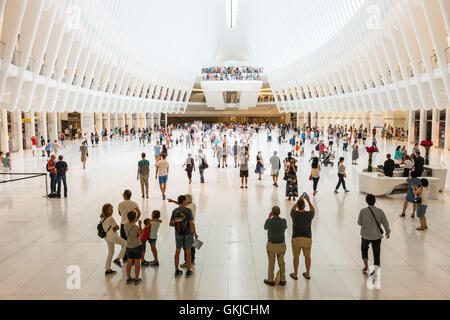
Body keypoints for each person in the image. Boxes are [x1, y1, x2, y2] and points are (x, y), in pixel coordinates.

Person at [358, 194, 390, 275]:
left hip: (365, 235)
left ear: (366, 201)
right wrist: (387, 232)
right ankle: (375, 271)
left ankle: (366, 267)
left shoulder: (362, 211)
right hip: (377, 236)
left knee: (364, 249)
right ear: (375, 201)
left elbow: (359, 223)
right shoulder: (380, 211)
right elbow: (385, 223)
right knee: (376, 253)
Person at [169, 195, 198, 278]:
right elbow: (191, 223)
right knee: (188, 251)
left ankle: (176, 271)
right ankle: (188, 271)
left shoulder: (174, 211)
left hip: (178, 233)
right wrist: (195, 233)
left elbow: (170, 224)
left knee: (177, 251)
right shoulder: (188, 210)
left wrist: (178, 225)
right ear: (184, 201)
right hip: (188, 233)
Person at [290, 194, 315, 280]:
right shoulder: (309, 215)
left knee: (296, 257)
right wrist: (308, 200)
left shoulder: (294, 214)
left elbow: (293, 208)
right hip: (307, 238)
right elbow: (313, 209)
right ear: (304, 206)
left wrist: (299, 199)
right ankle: (307, 274)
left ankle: (295, 274)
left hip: (296, 238)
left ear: (298, 206)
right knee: (307, 257)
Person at [264, 206, 287, 286]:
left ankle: (270, 280)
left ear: (272, 213)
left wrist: (269, 217)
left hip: (271, 245)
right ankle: (283, 279)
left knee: (271, 263)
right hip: (281, 245)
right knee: (281, 263)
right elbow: (285, 227)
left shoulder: (269, 221)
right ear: (279, 213)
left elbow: (265, 227)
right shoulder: (283, 221)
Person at [100, 203, 126, 275]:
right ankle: (118, 259)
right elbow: (117, 227)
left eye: (112, 209)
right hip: (113, 237)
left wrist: (114, 228)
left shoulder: (102, 219)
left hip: (107, 238)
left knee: (111, 252)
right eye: (110, 209)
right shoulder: (111, 218)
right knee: (126, 244)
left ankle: (108, 269)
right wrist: (115, 228)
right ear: (106, 210)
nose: (112, 211)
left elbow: (113, 228)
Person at [118, 190, 141, 262]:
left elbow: (120, 213)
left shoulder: (120, 204)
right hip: (131, 224)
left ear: (124, 195)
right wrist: (135, 220)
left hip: (123, 224)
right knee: (132, 240)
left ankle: (125, 257)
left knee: (123, 241)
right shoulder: (134, 203)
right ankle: (133, 257)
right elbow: (139, 213)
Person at [125, 211, 143, 285]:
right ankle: (136, 279)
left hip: (128, 246)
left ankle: (128, 278)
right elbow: (141, 234)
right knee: (137, 263)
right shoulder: (136, 227)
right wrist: (140, 225)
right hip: (137, 246)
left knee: (129, 262)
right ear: (135, 217)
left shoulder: (125, 225)